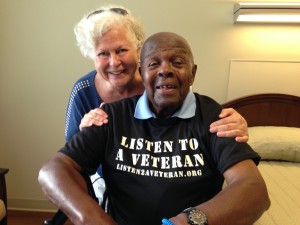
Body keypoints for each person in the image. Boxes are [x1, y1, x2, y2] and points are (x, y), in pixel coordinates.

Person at [39, 32, 270, 225]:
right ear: (143, 72)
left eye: (177, 62)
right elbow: (53, 171)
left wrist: (184, 222)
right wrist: (96, 220)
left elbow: (254, 190)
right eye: (153, 64)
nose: (164, 70)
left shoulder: (211, 116)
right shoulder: (112, 116)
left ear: (193, 74)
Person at [65, 5, 248, 202]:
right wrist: (86, 134)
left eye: (122, 50)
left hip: (164, 178)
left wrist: (235, 125)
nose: (114, 62)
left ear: (138, 49)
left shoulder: (162, 85)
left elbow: (192, 129)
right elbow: (73, 156)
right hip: (109, 184)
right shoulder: (83, 91)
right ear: (91, 55)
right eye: (102, 54)